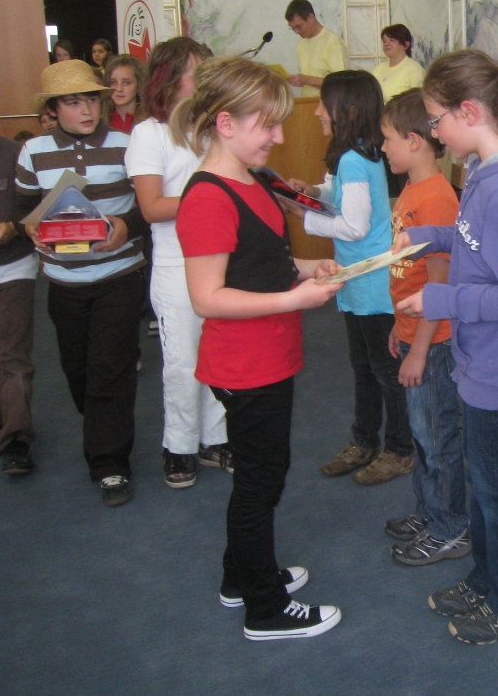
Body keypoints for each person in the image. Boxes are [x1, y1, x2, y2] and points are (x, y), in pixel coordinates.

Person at [172, 56, 344, 641]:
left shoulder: (251, 179)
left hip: (268, 353)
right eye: (267, 124)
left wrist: (308, 268)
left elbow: (263, 262)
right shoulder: (208, 197)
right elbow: (207, 297)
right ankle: (265, 609)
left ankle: (241, 576)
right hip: (245, 362)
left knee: (262, 474)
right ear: (225, 123)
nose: (278, 136)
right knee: (259, 481)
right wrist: (294, 299)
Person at [394, 49, 498, 645]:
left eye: (436, 119)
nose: (433, 131)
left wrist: (442, 300)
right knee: (487, 481)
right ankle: (489, 576)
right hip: (487, 358)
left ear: (470, 112)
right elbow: (477, 242)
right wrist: (429, 235)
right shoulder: (487, 172)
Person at [14, 60, 148, 507]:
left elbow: (148, 207)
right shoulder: (32, 151)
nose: (87, 110)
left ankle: (109, 463)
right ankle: (102, 429)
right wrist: (30, 227)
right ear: (53, 109)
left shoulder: (128, 144)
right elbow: (24, 207)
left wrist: (127, 225)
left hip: (118, 276)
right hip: (63, 281)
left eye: (92, 99)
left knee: (111, 369)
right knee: (79, 372)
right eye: (73, 102)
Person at [284, 70, 412, 487]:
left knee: (383, 370)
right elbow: (340, 195)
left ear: (346, 109)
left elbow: (354, 227)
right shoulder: (353, 154)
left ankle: (399, 449)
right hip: (359, 280)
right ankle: (364, 440)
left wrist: (304, 217)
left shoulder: (356, 160)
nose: (317, 112)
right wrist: (313, 194)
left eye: (324, 104)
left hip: (371, 282)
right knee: (364, 366)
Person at [125, 37, 225, 489]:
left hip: (221, 258)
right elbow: (151, 207)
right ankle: (179, 445)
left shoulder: (212, 127)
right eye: (196, 73)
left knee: (219, 352)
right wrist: (212, 198)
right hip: (175, 264)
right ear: (169, 79)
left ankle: (214, 438)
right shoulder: (148, 133)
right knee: (183, 362)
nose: (205, 81)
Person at [379, 88, 467, 564]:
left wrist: (419, 349)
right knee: (421, 433)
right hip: (416, 334)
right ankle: (431, 511)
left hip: (435, 344)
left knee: (437, 437)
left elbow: (438, 282)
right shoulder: (413, 190)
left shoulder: (434, 197)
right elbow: (408, 275)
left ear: (414, 141)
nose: (383, 147)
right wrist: (401, 327)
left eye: (388, 138)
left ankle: (451, 527)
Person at [0, 130, 38, 476]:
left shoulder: (14, 153)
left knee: (11, 355)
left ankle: (16, 439)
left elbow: (36, 206)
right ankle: (6, 425)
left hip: (13, 268)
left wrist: (14, 226)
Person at [284, 0, 349, 100]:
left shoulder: (333, 42)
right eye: (293, 28)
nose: (296, 32)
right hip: (307, 103)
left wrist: (306, 80)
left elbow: (340, 82)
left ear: (311, 17)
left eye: (299, 26)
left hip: (328, 103)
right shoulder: (302, 42)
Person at [372, 24, 425, 102]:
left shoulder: (414, 69)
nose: (386, 44)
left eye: (392, 40)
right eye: (384, 41)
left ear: (406, 45)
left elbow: (418, 102)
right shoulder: (378, 69)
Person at [104, 54, 146, 134]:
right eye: (113, 82)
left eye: (127, 83)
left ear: (139, 85)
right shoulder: (100, 122)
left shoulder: (150, 121)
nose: (119, 89)